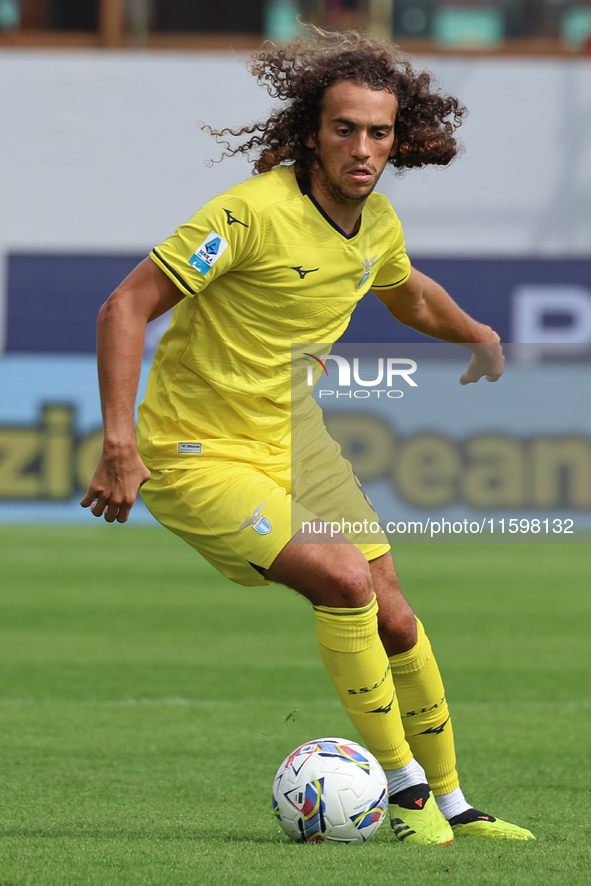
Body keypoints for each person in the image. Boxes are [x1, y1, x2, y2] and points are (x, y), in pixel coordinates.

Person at [82, 28, 534, 844]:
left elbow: (407, 293)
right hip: (195, 452)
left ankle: (455, 802)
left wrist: (476, 335)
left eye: (378, 132)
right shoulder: (249, 213)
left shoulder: (378, 223)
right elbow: (124, 306)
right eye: (344, 129)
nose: (362, 148)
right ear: (310, 134)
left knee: (394, 613)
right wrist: (120, 442)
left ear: (399, 138)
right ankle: (403, 799)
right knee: (342, 578)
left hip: (296, 443)